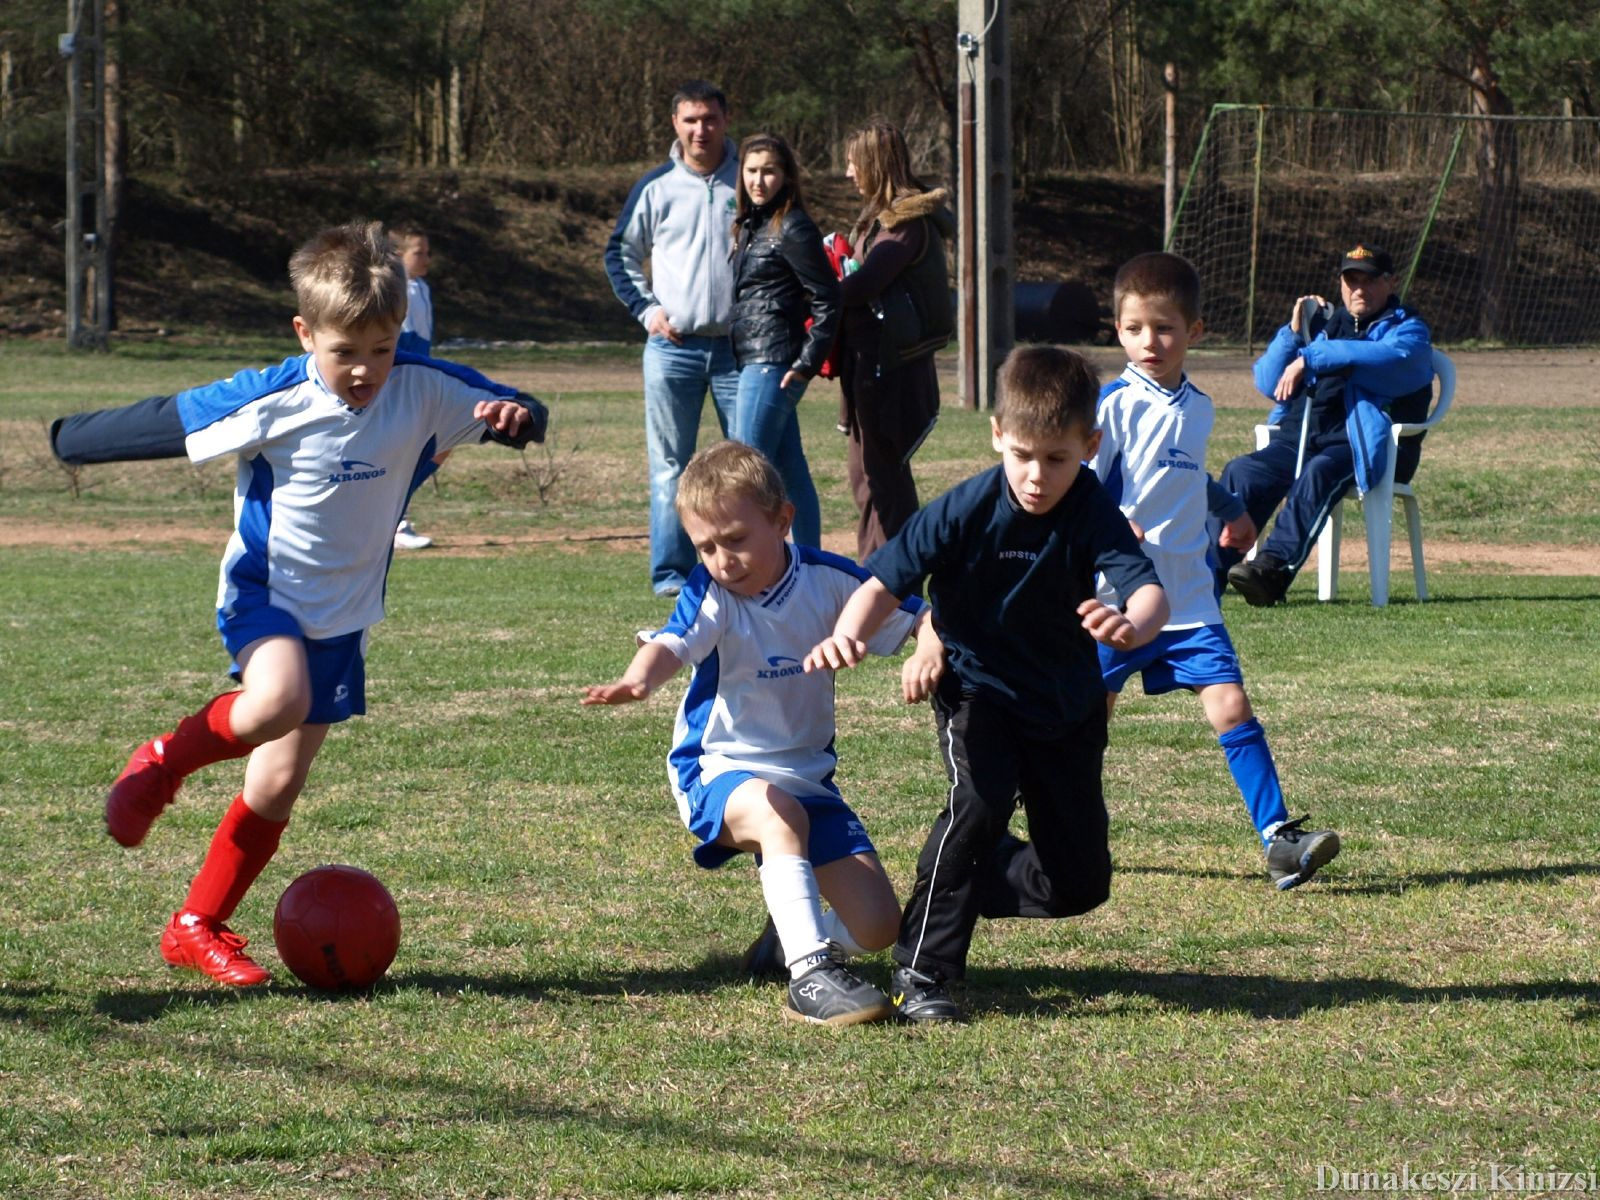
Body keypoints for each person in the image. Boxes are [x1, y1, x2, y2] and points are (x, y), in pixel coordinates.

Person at [85, 221, 545, 987]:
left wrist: (519, 419)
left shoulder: (424, 386)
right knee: (274, 701)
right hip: (266, 596)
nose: (365, 369)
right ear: (306, 333)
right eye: (345, 352)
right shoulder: (276, 397)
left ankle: (195, 925)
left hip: (344, 617)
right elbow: (173, 419)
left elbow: (512, 406)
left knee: (273, 787)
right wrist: (73, 440)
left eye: (381, 348)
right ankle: (163, 764)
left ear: (402, 332)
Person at [805, 346, 1170, 1023]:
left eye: (1057, 459)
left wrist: (1129, 622)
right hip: (978, 692)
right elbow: (885, 579)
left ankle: (962, 874)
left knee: (1078, 885)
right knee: (977, 804)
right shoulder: (966, 507)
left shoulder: (1090, 508)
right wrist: (850, 634)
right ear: (998, 434)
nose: (1037, 477)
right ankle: (924, 973)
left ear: (1089, 446)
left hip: (1066, 706)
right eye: (1024, 455)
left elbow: (1148, 590)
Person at [582, 441, 940, 1026]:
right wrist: (638, 681)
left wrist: (928, 646)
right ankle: (811, 975)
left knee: (878, 927)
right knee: (778, 818)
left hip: (807, 780)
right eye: (706, 546)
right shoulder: (712, 592)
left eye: (736, 539)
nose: (723, 559)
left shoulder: (829, 580)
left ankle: (786, 936)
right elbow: (673, 643)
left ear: (782, 519)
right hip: (718, 770)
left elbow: (919, 614)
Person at [1094, 252, 1341, 890]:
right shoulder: (1112, 405)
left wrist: (1228, 505)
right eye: (1135, 329)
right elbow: (1078, 484)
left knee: (1231, 707)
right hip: (1114, 600)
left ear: (1195, 331)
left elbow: (1182, 473)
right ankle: (1036, 829)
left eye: (1166, 328)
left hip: (1189, 600)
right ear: (1118, 331)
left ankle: (1280, 840)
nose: (1151, 342)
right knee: (1081, 724)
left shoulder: (1198, 406)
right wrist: (1111, 528)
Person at [1218, 242, 1434, 606]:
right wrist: (1293, 331)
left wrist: (1310, 359)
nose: (1359, 289)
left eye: (1369, 280)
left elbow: (1392, 358)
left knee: (1317, 473)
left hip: (1357, 444)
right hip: (1297, 437)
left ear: (1391, 282)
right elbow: (1268, 382)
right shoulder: (1323, 326)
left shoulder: (1409, 330)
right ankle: (1207, 570)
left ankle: (1272, 570)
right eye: (1351, 280)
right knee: (1243, 471)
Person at [605, 80, 741, 597]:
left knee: (744, 463)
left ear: (725, 120)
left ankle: (742, 566)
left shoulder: (749, 183)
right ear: (675, 124)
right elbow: (619, 253)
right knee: (670, 468)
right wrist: (647, 309)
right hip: (672, 349)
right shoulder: (656, 186)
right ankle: (672, 576)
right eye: (690, 120)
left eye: (708, 119)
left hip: (738, 350)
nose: (700, 129)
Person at [834, 120, 955, 561]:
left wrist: (815, 290)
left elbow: (866, 284)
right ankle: (877, 578)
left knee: (884, 482)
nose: (848, 173)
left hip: (892, 369)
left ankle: (894, 586)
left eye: (853, 162)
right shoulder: (884, 217)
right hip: (871, 362)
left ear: (873, 163)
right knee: (869, 479)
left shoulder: (906, 221)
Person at [728, 132, 840, 550]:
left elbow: (828, 297)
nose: (759, 180)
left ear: (786, 177)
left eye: (769, 171)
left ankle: (752, 563)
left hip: (773, 361)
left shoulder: (792, 226)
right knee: (790, 471)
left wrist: (808, 361)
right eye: (751, 171)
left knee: (745, 470)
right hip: (754, 358)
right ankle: (810, 563)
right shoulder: (751, 225)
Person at [391, 221, 437, 550]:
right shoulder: (392, 290)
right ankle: (394, 522)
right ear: (397, 255)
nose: (426, 259)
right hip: (397, 382)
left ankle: (390, 517)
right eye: (418, 253)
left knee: (430, 446)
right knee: (400, 452)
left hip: (418, 379)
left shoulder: (421, 288)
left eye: (427, 252)